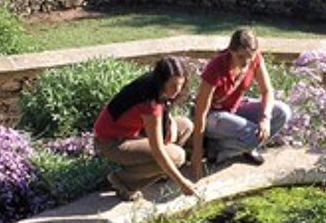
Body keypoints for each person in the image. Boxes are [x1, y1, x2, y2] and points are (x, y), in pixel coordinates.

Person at [93, 56, 202, 202]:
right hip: (111, 142)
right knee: (177, 156)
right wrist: (182, 183)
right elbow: (157, 149)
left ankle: (160, 171)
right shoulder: (150, 102)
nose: (177, 90)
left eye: (181, 85)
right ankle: (124, 181)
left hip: (135, 131)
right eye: (173, 85)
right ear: (162, 81)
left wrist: (170, 130)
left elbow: (164, 117)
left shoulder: (155, 85)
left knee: (186, 126)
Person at [190, 28, 290, 176]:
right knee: (253, 135)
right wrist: (197, 153)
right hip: (213, 116)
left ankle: (225, 150)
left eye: (250, 56)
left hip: (236, 107)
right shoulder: (216, 67)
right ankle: (215, 148)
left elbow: (267, 91)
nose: (246, 62)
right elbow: (201, 112)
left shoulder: (255, 59)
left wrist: (265, 118)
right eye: (241, 57)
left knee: (282, 112)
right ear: (231, 51)